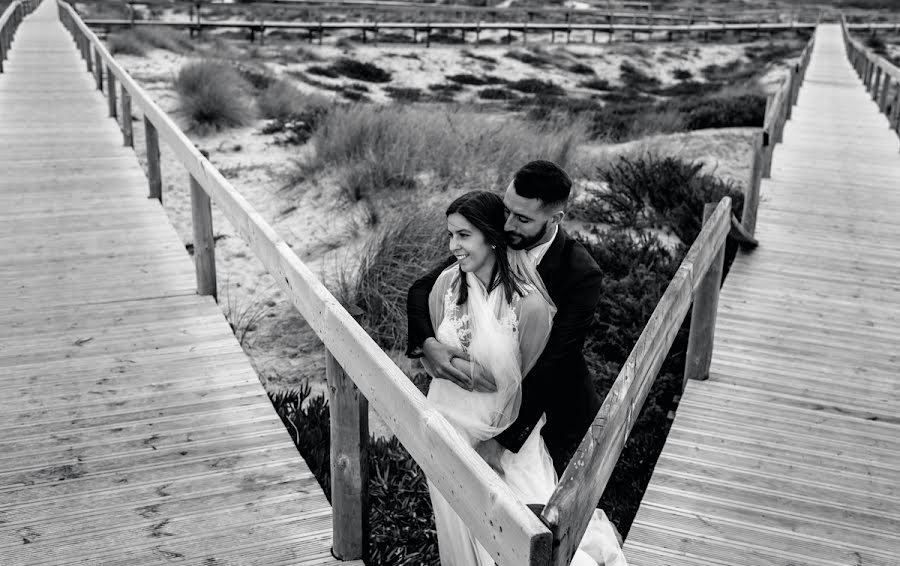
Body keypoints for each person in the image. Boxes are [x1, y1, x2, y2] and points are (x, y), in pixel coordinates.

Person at [415, 190, 625, 566]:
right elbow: (430, 341)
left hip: (505, 433)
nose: (453, 245)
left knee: (528, 539)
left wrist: (499, 442)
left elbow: (535, 377)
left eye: (463, 235)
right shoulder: (446, 285)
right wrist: (429, 347)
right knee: (462, 535)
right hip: (446, 430)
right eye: (450, 235)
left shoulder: (531, 304)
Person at [407, 160, 603, 476]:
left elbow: (556, 362)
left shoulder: (580, 274)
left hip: (549, 415)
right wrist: (429, 345)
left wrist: (502, 442)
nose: (508, 223)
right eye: (507, 209)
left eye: (523, 218)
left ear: (555, 219)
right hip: (479, 410)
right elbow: (421, 288)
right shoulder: (498, 232)